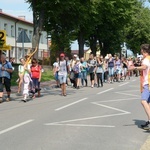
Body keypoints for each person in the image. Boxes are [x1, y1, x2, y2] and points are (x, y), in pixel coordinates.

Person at [129, 44, 150, 130]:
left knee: (143, 101)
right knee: (148, 103)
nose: (141, 53)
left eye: (142, 51)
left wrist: (134, 68)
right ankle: (149, 122)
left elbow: (144, 67)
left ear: (145, 52)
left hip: (147, 83)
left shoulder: (146, 60)